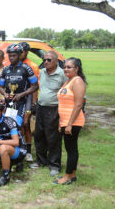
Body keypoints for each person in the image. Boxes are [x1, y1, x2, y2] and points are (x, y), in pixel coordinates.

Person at [30, 51, 68, 176]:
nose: (45, 62)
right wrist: (35, 104)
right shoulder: (42, 72)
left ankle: (54, 165)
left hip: (54, 109)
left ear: (56, 61)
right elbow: (39, 88)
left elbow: (68, 93)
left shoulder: (62, 74)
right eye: (44, 60)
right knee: (39, 135)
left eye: (49, 60)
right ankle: (41, 161)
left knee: (53, 138)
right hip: (41, 108)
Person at [54, 57, 86, 185]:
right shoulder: (68, 81)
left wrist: (69, 124)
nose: (65, 69)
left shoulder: (77, 81)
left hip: (73, 122)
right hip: (65, 121)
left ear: (76, 68)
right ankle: (72, 174)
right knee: (71, 148)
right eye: (65, 67)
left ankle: (67, 176)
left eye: (69, 67)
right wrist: (61, 122)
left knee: (71, 149)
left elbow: (78, 104)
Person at [0, 44, 38, 129]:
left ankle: (24, 142)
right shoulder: (5, 70)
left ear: (19, 55)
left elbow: (35, 86)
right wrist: (5, 94)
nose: (11, 58)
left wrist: (21, 94)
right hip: (9, 102)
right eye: (10, 56)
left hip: (23, 101)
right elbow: (0, 87)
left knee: (23, 124)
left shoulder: (27, 68)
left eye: (14, 55)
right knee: (9, 125)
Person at [18, 42, 40, 162]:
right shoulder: (12, 63)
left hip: (28, 99)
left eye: (22, 52)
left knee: (26, 123)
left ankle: (28, 151)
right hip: (15, 99)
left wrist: (33, 103)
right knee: (17, 123)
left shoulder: (33, 66)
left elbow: (35, 86)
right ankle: (18, 147)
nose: (19, 54)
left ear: (27, 52)